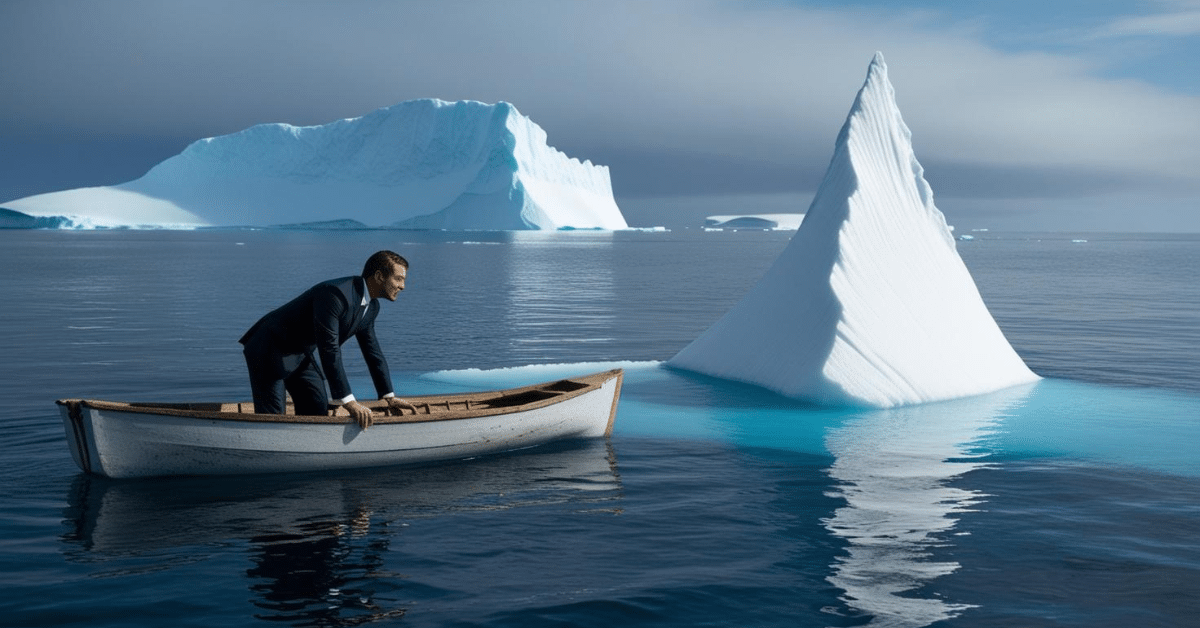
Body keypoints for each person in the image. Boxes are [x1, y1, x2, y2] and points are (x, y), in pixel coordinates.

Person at [240, 250, 416, 429]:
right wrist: (349, 402)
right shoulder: (335, 294)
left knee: (317, 405)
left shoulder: (371, 307)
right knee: (273, 418)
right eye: (398, 279)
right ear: (379, 276)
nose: (402, 286)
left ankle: (308, 448)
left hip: (300, 351)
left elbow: (373, 353)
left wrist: (388, 396)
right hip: (269, 347)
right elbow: (329, 349)